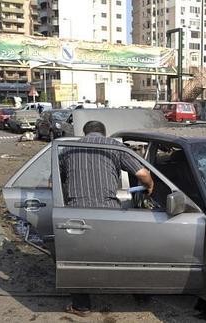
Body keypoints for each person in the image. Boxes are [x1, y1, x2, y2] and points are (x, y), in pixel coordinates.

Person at [59, 120, 154, 316]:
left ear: (84, 133)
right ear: (104, 133)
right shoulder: (114, 146)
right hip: (108, 212)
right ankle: (141, 295)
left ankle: (81, 306)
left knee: (78, 259)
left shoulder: (67, 149)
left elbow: (56, 181)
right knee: (125, 254)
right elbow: (142, 173)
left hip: (77, 213)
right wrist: (150, 185)